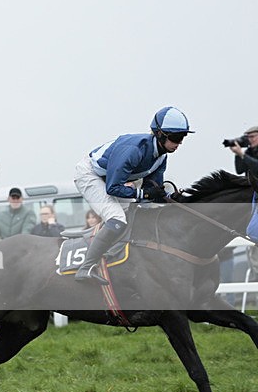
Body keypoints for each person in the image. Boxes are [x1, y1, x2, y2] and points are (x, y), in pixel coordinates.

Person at [73, 106, 193, 284]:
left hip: (108, 179)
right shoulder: (133, 150)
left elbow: (153, 190)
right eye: (175, 138)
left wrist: (172, 199)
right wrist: (144, 193)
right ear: (159, 134)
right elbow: (113, 188)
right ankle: (86, 267)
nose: (179, 143)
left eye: (183, 137)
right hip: (90, 175)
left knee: (132, 215)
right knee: (117, 219)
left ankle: (116, 257)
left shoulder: (161, 157)